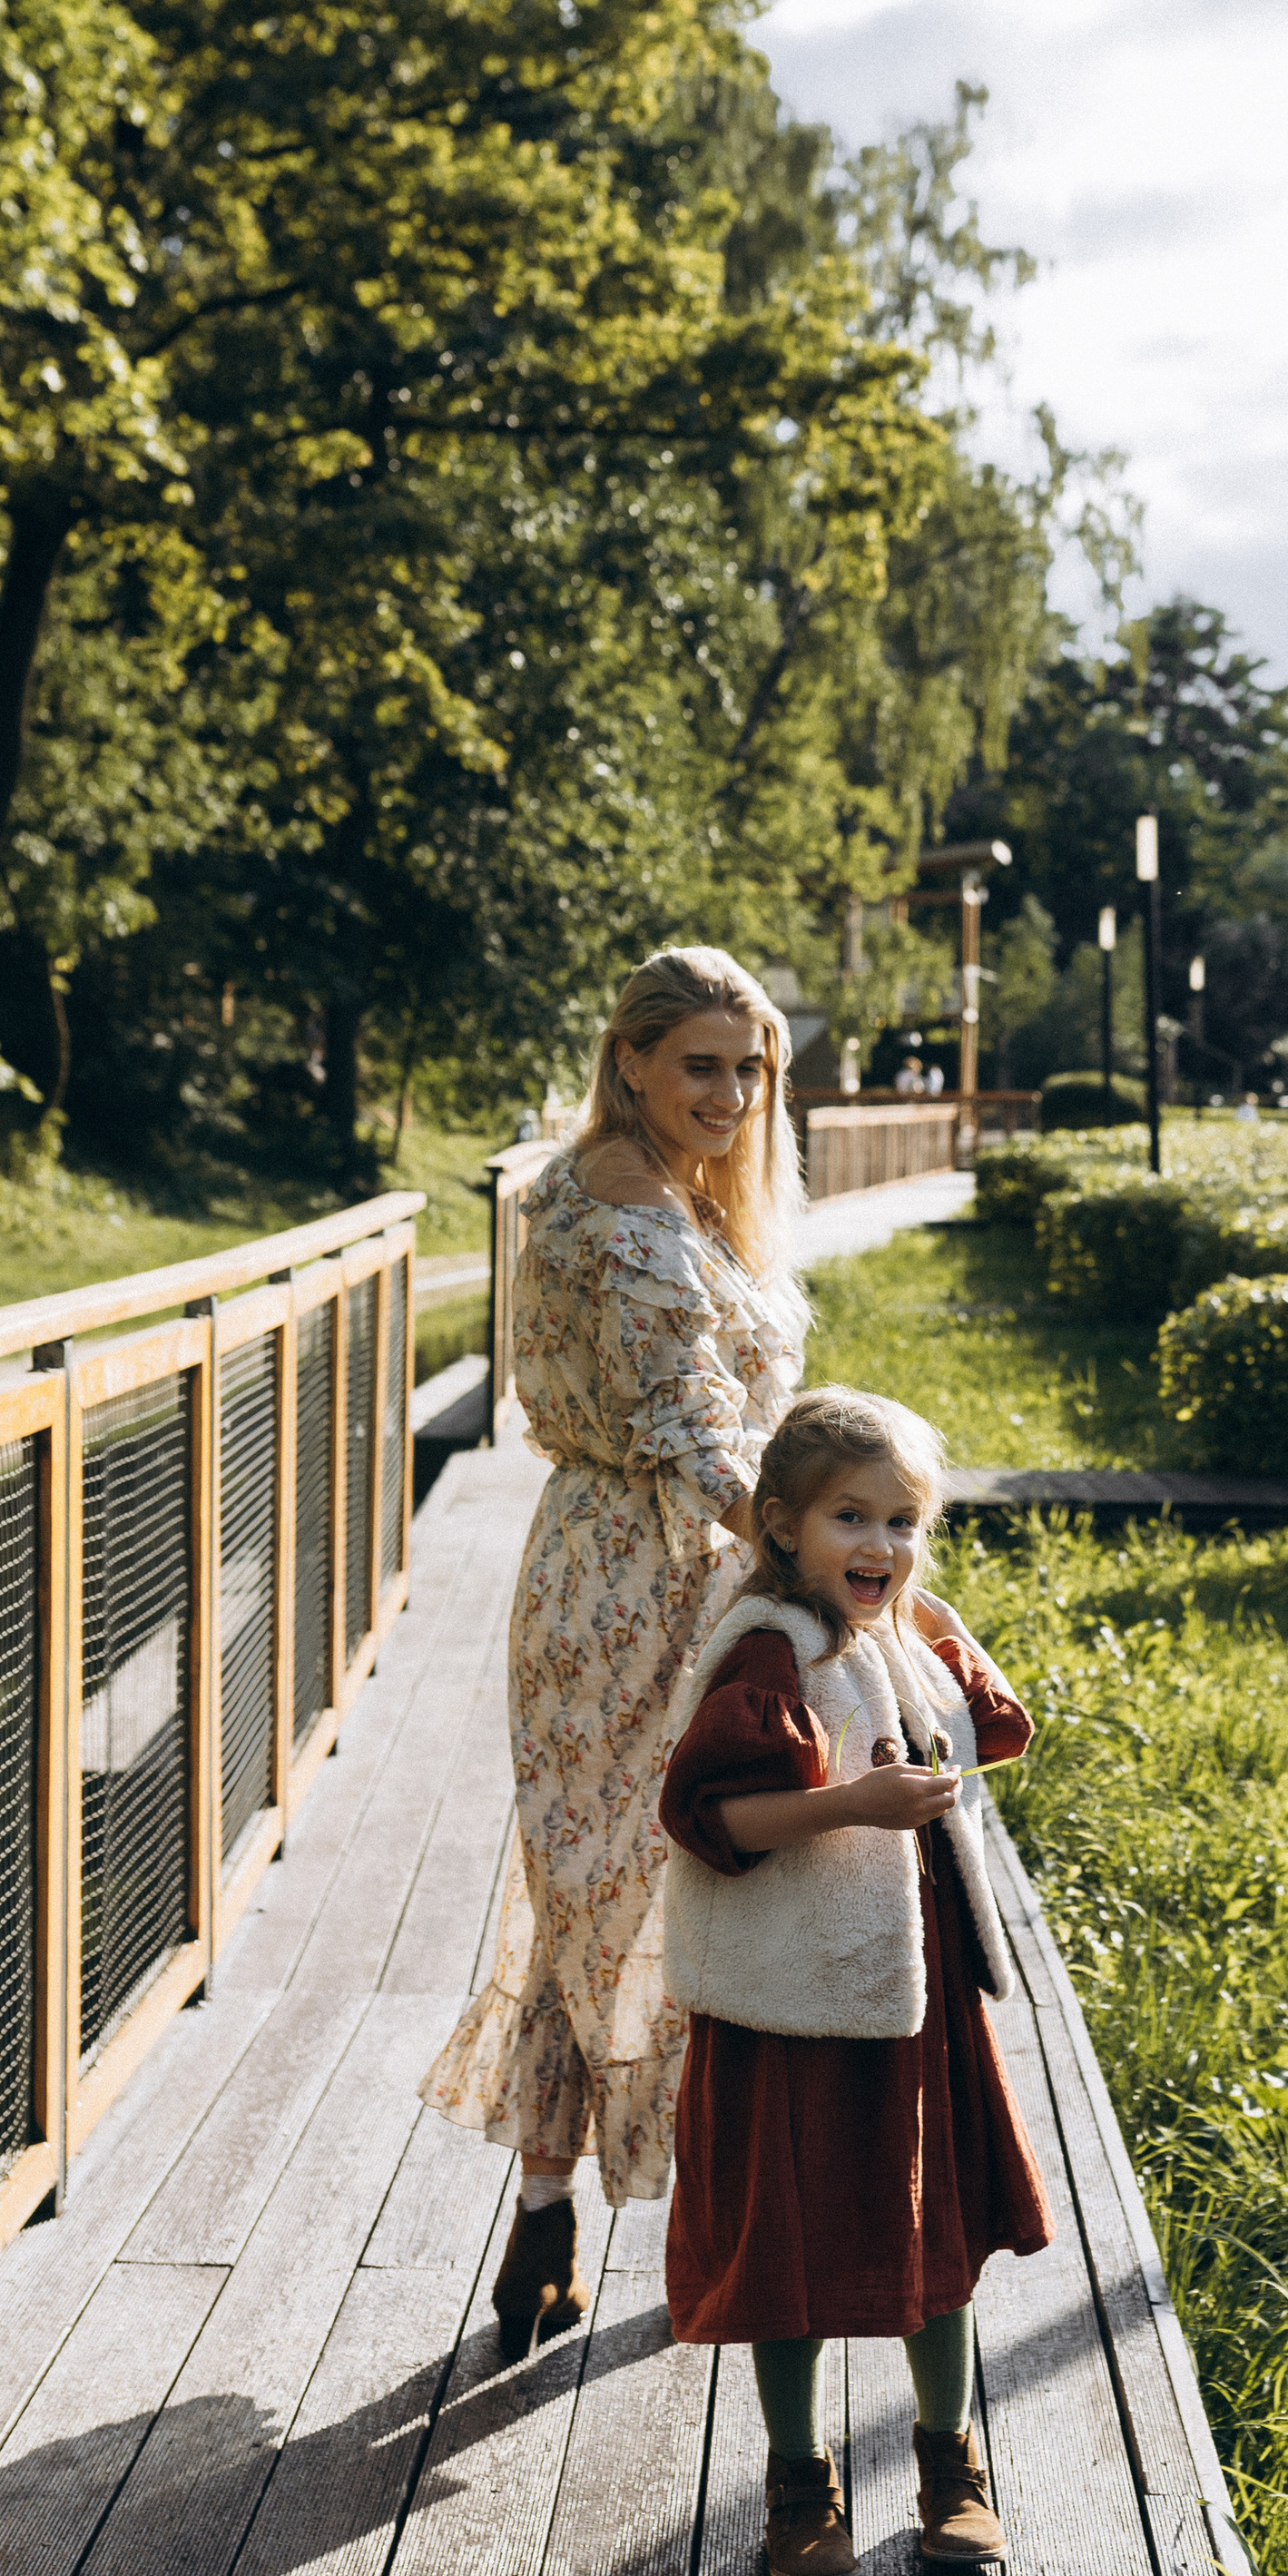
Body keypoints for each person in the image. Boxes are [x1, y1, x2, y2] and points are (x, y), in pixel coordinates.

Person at [418, 948, 810, 2357]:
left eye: (749, 1069)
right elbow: (699, 1437)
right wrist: (832, 1569)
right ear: (630, 1058)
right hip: (641, 1585)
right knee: (653, 1892)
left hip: (625, 1565)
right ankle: (718, 2220)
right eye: (700, 1064)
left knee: (593, 1894)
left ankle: (549, 2210)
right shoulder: (631, 1214)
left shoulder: (627, 1186)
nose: (731, 1094)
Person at [658, 1388, 1053, 2576]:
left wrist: (913, 1606)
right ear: (781, 1523)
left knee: (934, 2229)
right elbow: (714, 1812)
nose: (880, 1543)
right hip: (795, 2005)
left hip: (913, 1998)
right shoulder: (771, 1647)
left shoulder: (891, 1634)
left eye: (903, 1522)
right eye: (850, 1517)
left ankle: (948, 2460)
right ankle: (798, 2479)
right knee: (788, 2244)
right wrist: (853, 1804)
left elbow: (994, 1726)